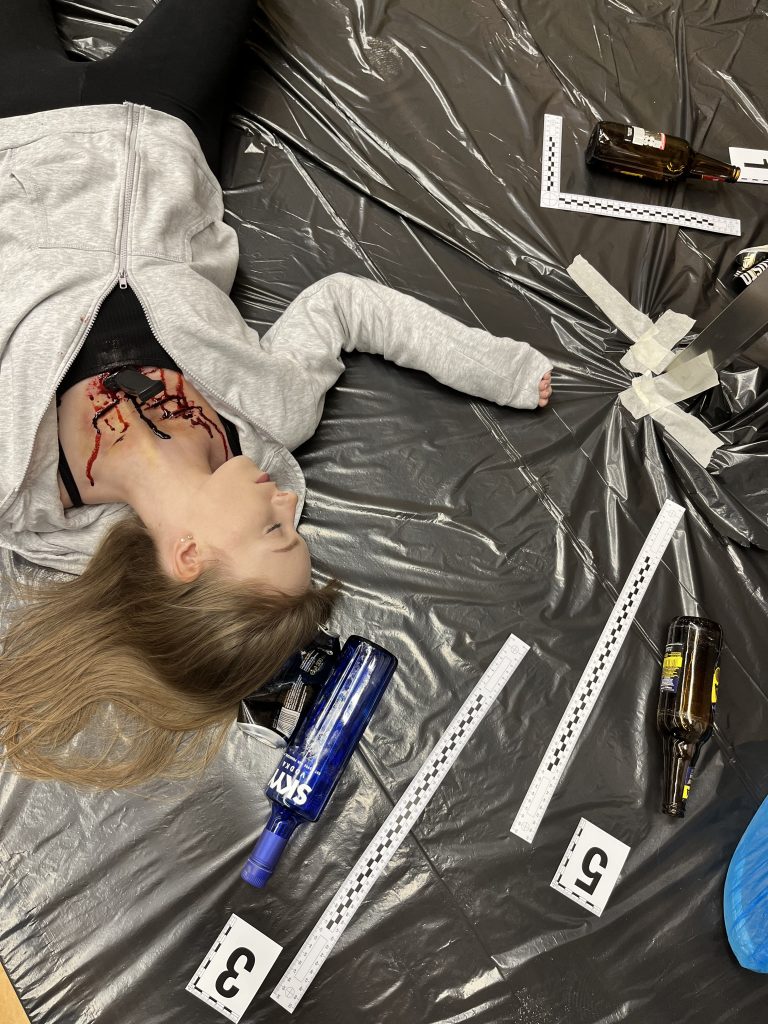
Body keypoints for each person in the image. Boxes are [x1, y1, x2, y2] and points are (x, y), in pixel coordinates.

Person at [0, 0, 553, 789]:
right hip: (161, 130)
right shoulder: (271, 415)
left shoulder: (17, 482)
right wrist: (495, 369)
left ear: (188, 555)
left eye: (274, 531)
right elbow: (342, 305)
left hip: (16, 137)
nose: (290, 504)